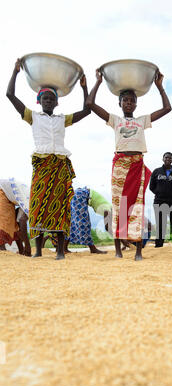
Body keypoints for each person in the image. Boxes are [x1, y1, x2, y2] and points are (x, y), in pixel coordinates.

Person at [6, 58, 91, 260]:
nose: (48, 102)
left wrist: (84, 88)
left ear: (57, 102)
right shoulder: (32, 116)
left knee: (61, 206)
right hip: (42, 166)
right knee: (37, 205)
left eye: (51, 99)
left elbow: (87, 110)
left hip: (60, 166)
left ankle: (60, 251)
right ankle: (37, 251)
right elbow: (10, 95)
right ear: (39, 101)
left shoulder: (63, 119)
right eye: (45, 99)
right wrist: (15, 72)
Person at [86, 68, 171, 260]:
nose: (129, 103)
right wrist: (98, 81)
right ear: (120, 103)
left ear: (136, 104)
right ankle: (117, 250)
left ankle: (139, 251)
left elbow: (167, 108)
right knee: (119, 207)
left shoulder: (142, 121)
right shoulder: (115, 120)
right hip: (120, 166)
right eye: (125, 100)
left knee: (137, 207)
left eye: (132, 100)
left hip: (137, 165)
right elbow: (90, 103)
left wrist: (159, 86)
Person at [68, 187, 110, 254]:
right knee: (84, 223)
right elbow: (107, 227)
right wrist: (121, 239)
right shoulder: (109, 209)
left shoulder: (109, 209)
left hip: (81, 194)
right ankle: (93, 249)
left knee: (74, 222)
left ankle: (64, 248)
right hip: (82, 195)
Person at [0, 178, 31, 256]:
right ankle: (2, 248)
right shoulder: (28, 203)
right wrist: (28, 249)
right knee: (4, 220)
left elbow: (19, 223)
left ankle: (21, 250)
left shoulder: (26, 202)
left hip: (10, 194)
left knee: (14, 223)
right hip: (2, 191)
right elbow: (22, 221)